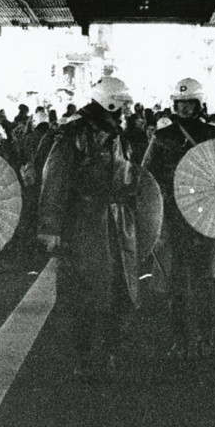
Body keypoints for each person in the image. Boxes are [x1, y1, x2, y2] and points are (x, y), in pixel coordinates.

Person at [39, 76, 141, 381]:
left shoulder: (116, 134)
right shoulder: (74, 134)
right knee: (83, 294)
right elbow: (54, 179)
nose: (125, 112)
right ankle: (84, 356)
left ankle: (110, 352)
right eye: (121, 106)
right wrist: (51, 227)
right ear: (110, 103)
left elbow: (128, 177)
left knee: (121, 290)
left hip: (116, 223)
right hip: (83, 225)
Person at [141, 77, 215, 357]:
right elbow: (146, 174)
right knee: (176, 282)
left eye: (189, 103)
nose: (185, 108)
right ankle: (180, 339)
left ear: (198, 104)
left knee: (205, 282)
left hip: (204, 216)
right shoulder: (162, 136)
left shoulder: (214, 133)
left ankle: (206, 337)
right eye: (180, 103)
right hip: (173, 216)